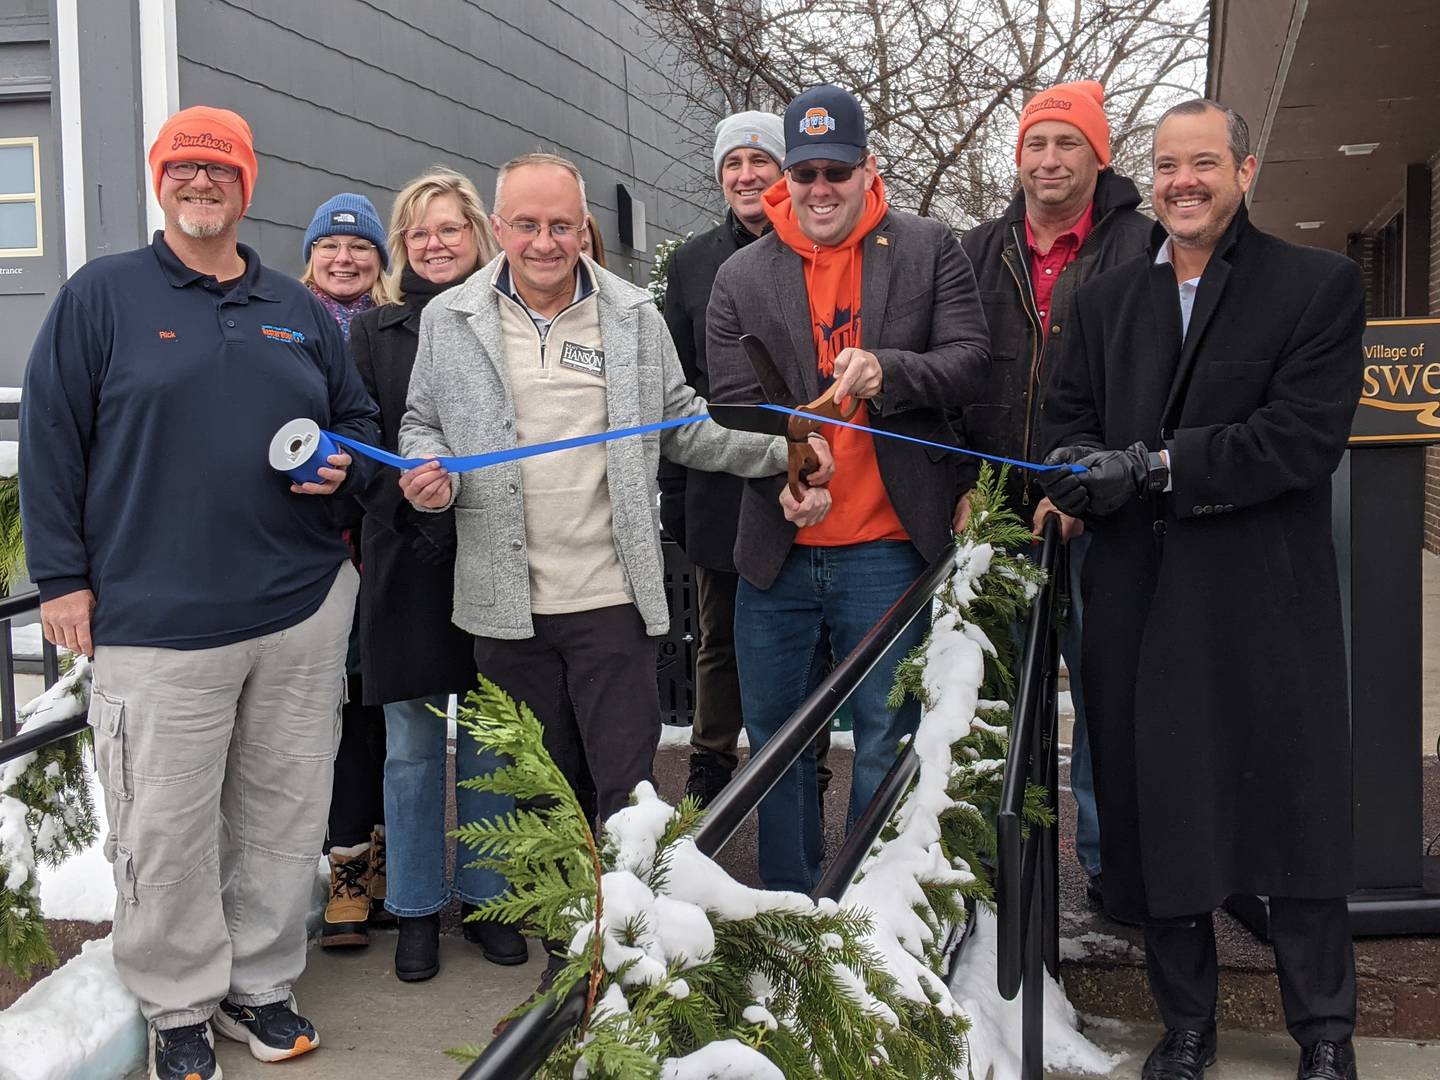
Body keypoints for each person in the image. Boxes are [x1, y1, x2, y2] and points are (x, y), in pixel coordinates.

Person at [20, 106, 380, 1080]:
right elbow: (52, 440)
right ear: (160, 180)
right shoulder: (105, 297)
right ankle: (178, 1007)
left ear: (246, 184)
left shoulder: (294, 308)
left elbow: (357, 424)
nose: (201, 182)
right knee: (166, 828)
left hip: (299, 608)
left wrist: (343, 466)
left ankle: (257, 986)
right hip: (156, 621)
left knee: (281, 815)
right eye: (184, 166)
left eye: (220, 168)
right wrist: (62, 580)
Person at [1038, 99, 1363, 1080]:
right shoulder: (1097, 305)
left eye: (1205, 164)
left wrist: (1153, 467)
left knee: (1293, 816)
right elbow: (1062, 431)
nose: (1183, 181)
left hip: (1265, 599)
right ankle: (1186, 1027)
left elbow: (1300, 440)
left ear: (1245, 171)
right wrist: (1075, 472)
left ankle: (1326, 1033)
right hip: (1138, 602)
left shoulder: (1317, 286)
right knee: (1157, 810)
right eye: (1169, 164)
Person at [396, 150, 801, 846]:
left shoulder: (633, 314)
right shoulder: (448, 317)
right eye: (527, 225)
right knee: (542, 798)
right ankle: (567, 944)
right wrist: (427, 470)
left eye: (562, 225)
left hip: (612, 600)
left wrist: (782, 450)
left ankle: (626, 939)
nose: (546, 243)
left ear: (584, 228)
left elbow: (682, 422)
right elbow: (420, 422)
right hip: (505, 606)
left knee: (627, 797)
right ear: (499, 227)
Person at [706, 84, 990, 893]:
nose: (820, 188)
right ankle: (794, 912)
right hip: (780, 547)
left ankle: (873, 912)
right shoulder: (740, 275)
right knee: (776, 740)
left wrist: (887, 370)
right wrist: (789, 470)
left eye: (837, 170)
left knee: (884, 737)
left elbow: (972, 360)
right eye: (805, 173)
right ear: (783, 180)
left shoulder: (931, 247)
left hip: (889, 547)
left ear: (870, 169)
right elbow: (733, 405)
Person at [960, 81, 1150, 911]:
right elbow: (953, 380)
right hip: (995, 513)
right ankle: (997, 871)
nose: (1049, 160)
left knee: (1108, 703)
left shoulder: (1140, 246)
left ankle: (1114, 873)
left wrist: (1087, 488)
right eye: (1036, 143)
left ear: (1098, 154)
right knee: (989, 704)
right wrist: (965, 488)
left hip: (1100, 521)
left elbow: (1146, 390)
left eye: (1067, 143)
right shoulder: (975, 250)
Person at [347, 168, 529, 982]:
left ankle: (490, 901)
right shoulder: (373, 332)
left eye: (450, 228)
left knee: (493, 747)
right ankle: (417, 909)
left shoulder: (507, 321)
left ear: (478, 236)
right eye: (419, 232)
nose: (435, 244)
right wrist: (411, 510)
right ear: (402, 246)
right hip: (403, 558)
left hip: (493, 551)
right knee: (413, 749)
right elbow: (356, 439)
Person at [659, 110, 836, 807]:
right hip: (719, 481)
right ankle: (707, 768)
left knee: (809, 640)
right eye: (733, 164)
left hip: (806, 472)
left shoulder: (816, 250)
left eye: (759, 161)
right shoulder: (694, 262)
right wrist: (674, 488)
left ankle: (805, 766)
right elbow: (672, 388)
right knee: (719, 639)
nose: (745, 175)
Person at [299, 192, 395, 951]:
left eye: (360, 247)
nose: (345, 259)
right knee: (338, 725)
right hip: (311, 545)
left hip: (385, 540)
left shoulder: (395, 328)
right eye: (331, 248)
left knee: (384, 714)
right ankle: (347, 871)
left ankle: (384, 863)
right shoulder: (285, 325)